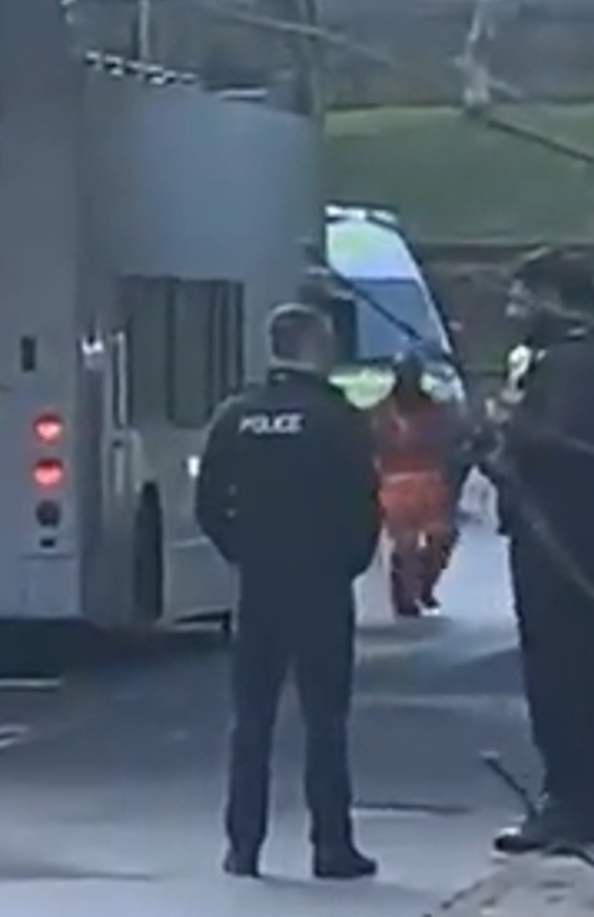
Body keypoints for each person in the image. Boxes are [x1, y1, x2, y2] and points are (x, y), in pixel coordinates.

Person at [195, 301, 382, 881]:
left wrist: (242, 550)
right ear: (313, 346)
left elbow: (208, 505)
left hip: (259, 584)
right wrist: (348, 562)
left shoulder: (237, 414)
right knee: (325, 720)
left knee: (251, 720)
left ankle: (242, 846)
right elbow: (363, 502)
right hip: (321, 584)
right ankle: (331, 845)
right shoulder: (337, 418)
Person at [490, 247, 594, 852]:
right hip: (549, 539)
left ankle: (571, 804)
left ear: (555, 298)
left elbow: (572, 452)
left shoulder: (574, 367)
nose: (512, 308)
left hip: (564, 549)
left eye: (522, 296)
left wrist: (520, 432)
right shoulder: (557, 364)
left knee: (561, 675)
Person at [373, 350, 458, 617]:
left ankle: (424, 585)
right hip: (395, 482)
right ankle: (404, 595)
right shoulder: (381, 411)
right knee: (405, 544)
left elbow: (452, 439)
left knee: (442, 538)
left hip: (430, 478)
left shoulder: (436, 410)